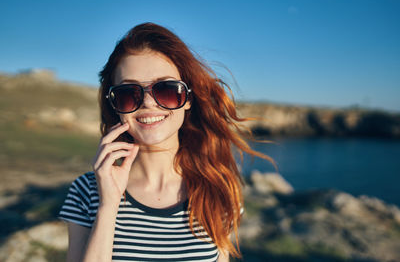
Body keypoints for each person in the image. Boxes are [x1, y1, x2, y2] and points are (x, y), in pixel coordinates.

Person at [59, 22, 272, 262]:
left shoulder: (218, 188)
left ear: (188, 98)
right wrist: (108, 205)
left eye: (167, 90)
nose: (149, 103)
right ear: (115, 104)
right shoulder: (86, 191)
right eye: (129, 93)